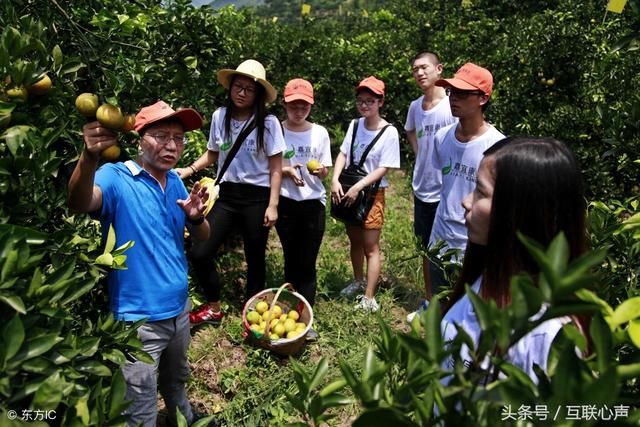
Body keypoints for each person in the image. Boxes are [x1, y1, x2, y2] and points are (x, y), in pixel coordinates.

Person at [67, 101, 214, 426]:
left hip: (179, 310)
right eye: (161, 136)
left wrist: (196, 217)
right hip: (139, 322)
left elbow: (203, 236)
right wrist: (89, 156)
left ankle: (183, 418)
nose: (172, 145)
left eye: (179, 138)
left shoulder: (175, 181)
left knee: (177, 381)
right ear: (139, 139)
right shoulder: (115, 177)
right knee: (140, 408)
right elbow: (79, 202)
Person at [441, 136, 589, 383]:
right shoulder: (485, 279)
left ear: (519, 212)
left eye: (480, 191)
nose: (466, 201)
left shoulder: (549, 336)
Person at [177, 59, 285, 326]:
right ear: (231, 87)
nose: (242, 92)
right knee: (201, 251)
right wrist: (189, 169)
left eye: (249, 89)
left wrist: (273, 205)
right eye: (238, 86)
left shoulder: (269, 123)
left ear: (258, 94)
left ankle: (253, 309)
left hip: (257, 196)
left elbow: (275, 167)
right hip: (227, 194)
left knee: (255, 254)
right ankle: (213, 305)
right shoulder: (219, 116)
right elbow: (214, 154)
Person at [428, 63, 505, 295]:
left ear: (483, 98)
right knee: (439, 307)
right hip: (440, 238)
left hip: (474, 244)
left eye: (462, 93)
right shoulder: (442, 137)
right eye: (452, 92)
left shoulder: (498, 147)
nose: (453, 99)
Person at [331, 76, 400, 312]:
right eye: (361, 101)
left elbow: (384, 167)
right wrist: (333, 180)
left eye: (370, 101)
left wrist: (359, 187)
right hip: (348, 190)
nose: (365, 105)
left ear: (381, 102)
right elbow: (342, 154)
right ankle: (358, 280)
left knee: (371, 245)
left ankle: (369, 297)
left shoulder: (389, 132)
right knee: (355, 240)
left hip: (371, 194)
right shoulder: (354, 125)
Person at [404, 52, 457, 323]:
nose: (419, 73)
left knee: (450, 250)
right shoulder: (415, 107)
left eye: (424, 67)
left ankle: (451, 305)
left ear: (439, 69)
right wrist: (420, 154)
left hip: (446, 191)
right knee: (426, 248)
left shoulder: (451, 106)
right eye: (415, 69)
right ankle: (429, 300)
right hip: (421, 187)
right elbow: (410, 130)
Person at [276, 78, 331, 317]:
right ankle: (290, 307)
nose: (298, 111)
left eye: (304, 106)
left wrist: (321, 171)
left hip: (312, 203)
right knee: (290, 256)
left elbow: (326, 169)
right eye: (293, 106)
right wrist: (286, 170)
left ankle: (305, 313)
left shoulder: (320, 133)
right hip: (285, 201)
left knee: (307, 261)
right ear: (284, 103)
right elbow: (269, 166)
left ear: (311, 106)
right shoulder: (275, 129)